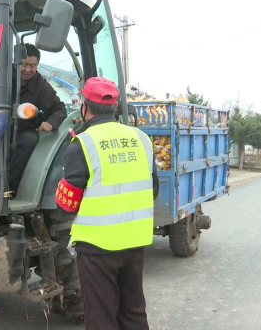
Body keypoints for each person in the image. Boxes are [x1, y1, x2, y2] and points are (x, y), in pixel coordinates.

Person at [55, 77, 160, 330]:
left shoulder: (83, 143)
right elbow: (153, 189)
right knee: (133, 312)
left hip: (97, 247)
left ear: (84, 106)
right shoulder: (142, 139)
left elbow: (68, 204)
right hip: (135, 242)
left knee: (102, 317)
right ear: (114, 108)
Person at [8, 43, 67, 195]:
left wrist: (50, 123)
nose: (28, 70)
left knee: (29, 141)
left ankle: (9, 189)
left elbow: (59, 108)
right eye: (24, 65)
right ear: (16, 63)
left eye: (33, 66)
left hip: (23, 129)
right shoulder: (3, 77)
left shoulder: (40, 85)